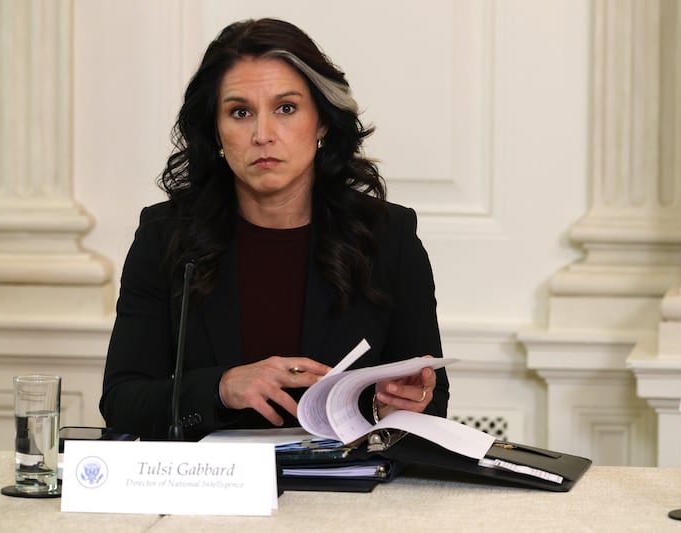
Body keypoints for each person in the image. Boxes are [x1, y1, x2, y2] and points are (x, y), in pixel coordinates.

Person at [100, 18, 449, 441]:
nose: (263, 135)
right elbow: (122, 402)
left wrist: (392, 406)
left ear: (321, 122)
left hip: (342, 496)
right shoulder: (165, 235)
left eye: (286, 108)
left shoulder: (388, 235)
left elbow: (431, 397)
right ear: (216, 131)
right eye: (240, 112)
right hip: (209, 492)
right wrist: (222, 388)